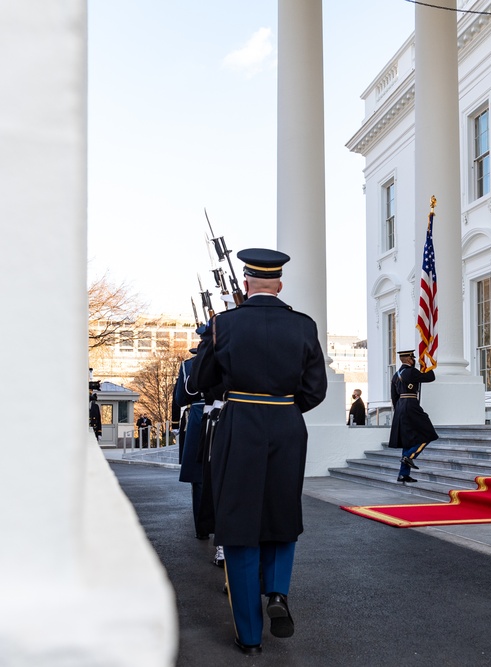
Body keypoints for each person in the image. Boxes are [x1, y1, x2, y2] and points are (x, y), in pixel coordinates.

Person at [192, 247, 328, 655]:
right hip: (287, 424)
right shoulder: (304, 326)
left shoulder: (225, 324)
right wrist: (283, 408)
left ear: (247, 283)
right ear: (280, 284)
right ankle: (277, 593)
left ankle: (250, 636)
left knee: (238, 520)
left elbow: (201, 382)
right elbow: (315, 390)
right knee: (281, 511)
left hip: (241, 426)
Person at [387, 348, 438, 483]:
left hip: (400, 407)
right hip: (411, 405)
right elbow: (430, 377)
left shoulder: (395, 375)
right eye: (413, 359)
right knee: (429, 434)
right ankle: (410, 455)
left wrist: (399, 409)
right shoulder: (412, 372)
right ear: (410, 359)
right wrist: (425, 365)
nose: (414, 360)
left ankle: (403, 474)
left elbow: (394, 397)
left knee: (407, 440)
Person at [173, 342, 207, 539]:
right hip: (225, 414)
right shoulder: (226, 360)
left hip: (197, 415)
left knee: (198, 476)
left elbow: (180, 398)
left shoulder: (188, 366)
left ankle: (201, 529)